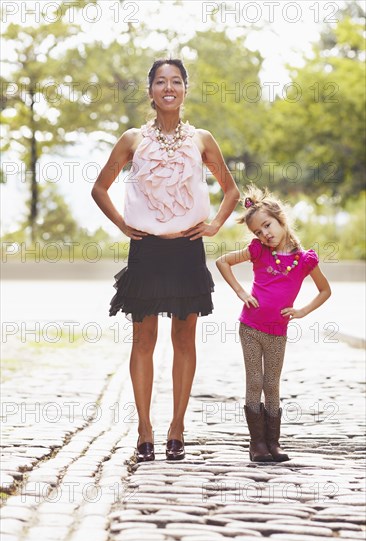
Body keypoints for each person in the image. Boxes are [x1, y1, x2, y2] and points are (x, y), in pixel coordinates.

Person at [91, 59, 240, 462]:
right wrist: (124, 224)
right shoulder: (132, 139)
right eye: (161, 81)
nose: (168, 87)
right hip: (147, 251)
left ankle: (177, 428)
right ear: (151, 90)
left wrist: (214, 227)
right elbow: (100, 188)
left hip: (187, 250)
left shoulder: (203, 139)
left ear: (185, 89)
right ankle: (145, 429)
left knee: (184, 340)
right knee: (143, 340)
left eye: (176, 81)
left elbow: (231, 191)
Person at [216, 184, 331, 462]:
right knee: (254, 382)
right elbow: (222, 262)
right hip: (251, 328)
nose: (265, 234)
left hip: (277, 333)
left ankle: (274, 443)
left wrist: (302, 311)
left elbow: (325, 290)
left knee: (272, 384)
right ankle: (257, 445)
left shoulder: (304, 260)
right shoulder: (258, 251)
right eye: (258, 231)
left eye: (267, 226)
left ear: (281, 219)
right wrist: (242, 293)